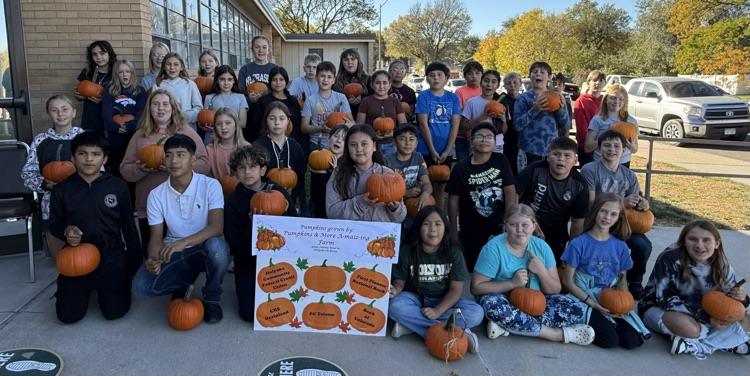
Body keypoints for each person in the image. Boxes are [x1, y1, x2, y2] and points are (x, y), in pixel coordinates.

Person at [132, 134, 230, 323]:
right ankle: (184, 282)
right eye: (168, 155)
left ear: (193, 160)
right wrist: (153, 258)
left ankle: (211, 298)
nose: (174, 161)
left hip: (204, 249)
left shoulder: (210, 185)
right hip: (175, 253)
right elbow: (156, 238)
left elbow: (217, 227)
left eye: (180, 155)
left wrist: (182, 242)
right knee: (141, 288)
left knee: (218, 249)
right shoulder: (156, 195)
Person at [50, 131, 141, 322]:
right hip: (77, 257)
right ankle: (74, 289)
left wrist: (134, 265)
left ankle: (116, 283)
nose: (89, 159)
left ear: (105, 158)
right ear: (73, 158)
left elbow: (128, 226)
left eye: (96, 154)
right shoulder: (62, 190)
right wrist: (66, 230)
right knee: (68, 316)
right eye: (82, 154)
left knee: (114, 312)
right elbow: (54, 225)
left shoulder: (117, 186)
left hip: (111, 257)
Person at [471, 204, 593, 345]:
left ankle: (509, 326)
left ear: (534, 226)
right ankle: (556, 334)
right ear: (505, 226)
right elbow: (476, 288)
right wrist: (512, 283)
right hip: (503, 299)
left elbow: (554, 290)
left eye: (525, 225)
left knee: (575, 308)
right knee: (492, 305)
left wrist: (541, 272)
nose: (519, 230)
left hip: (537, 302)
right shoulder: (493, 249)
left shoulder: (542, 247)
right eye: (513, 225)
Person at [638, 219, 750, 357]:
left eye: (706, 240)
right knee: (689, 328)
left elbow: (728, 301)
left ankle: (691, 344)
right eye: (693, 239)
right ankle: (725, 342)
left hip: (706, 314)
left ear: (717, 243)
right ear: (684, 241)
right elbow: (666, 300)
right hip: (664, 310)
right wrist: (708, 319)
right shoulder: (670, 258)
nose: (699, 245)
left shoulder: (721, 263)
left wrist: (742, 299)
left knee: (747, 320)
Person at [120, 89, 209, 255]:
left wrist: (179, 168)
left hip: (181, 205)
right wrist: (140, 168)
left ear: (173, 108)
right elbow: (125, 169)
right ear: (149, 109)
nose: (160, 108)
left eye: (165, 104)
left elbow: (204, 163)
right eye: (155, 104)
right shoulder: (140, 136)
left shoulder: (186, 132)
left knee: (181, 253)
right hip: (147, 205)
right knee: (153, 252)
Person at [388, 205, 484, 354]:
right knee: (395, 307)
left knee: (476, 313)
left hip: (445, 300)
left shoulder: (454, 252)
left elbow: (455, 291)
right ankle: (457, 335)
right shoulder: (408, 251)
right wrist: (395, 290)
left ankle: (411, 327)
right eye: (426, 224)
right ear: (418, 228)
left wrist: (438, 311)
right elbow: (399, 283)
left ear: (445, 228)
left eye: (438, 224)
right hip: (415, 299)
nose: (432, 229)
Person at [561, 193, 649, 349]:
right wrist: (593, 304)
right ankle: (581, 326)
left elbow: (622, 281)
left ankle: (612, 324)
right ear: (595, 211)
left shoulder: (621, 247)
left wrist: (623, 305)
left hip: (610, 298)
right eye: (603, 211)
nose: (607, 217)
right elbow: (567, 281)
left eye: (613, 214)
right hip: (586, 299)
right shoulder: (578, 243)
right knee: (610, 341)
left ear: (618, 218)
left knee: (631, 342)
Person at [224, 146, 297, 322]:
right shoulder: (233, 201)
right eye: (241, 167)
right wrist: (254, 225)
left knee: (291, 304)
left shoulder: (278, 192)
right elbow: (234, 243)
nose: (247, 172)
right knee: (250, 313)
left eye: (252, 166)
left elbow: (296, 228)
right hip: (249, 260)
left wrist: (284, 215)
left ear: (262, 169)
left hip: (281, 258)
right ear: (236, 172)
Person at [581, 130, 652, 299]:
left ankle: (634, 281)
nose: (611, 149)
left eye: (616, 146)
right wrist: (622, 202)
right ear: (599, 149)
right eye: (606, 145)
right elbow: (590, 203)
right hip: (597, 224)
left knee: (643, 246)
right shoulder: (589, 170)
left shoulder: (629, 175)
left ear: (624, 150)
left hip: (622, 224)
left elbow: (633, 205)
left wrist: (642, 205)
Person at [446, 123, 516, 272]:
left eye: (489, 137)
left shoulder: (501, 160)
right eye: (479, 137)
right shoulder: (461, 167)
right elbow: (453, 200)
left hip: (499, 220)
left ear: (495, 143)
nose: (484, 140)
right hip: (471, 223)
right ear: (471, 141)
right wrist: (452, 230)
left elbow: (510, 191)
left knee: (503, 264)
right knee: (474, 267)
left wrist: (509, 220)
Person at [21, 95, 86, 258]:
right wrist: (44, 184)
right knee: (62, 259)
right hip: (52, 203)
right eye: (54, 110)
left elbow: (100, 171)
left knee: (85, 251)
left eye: (65, 109)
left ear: (73, 112)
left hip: (83, 199)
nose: (60, 114)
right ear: (48, 114)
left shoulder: (84, 138)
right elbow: (28, 174)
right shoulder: (41, 141)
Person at [515, 137, 589, 262]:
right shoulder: (535, 169)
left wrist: (571, 252)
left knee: (550, 268)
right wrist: (512, 219)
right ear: (548, 156)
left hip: (555, 233)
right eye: (556, 154)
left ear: (575, 160)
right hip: (525, 226)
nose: (561, 159)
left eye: (567, 156)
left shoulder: (580, 185)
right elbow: (514, 192)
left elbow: (577, 222)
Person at [326, 124, 406, 222]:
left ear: (374, 146)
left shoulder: (388, 174)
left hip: (380, 234)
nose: (359, 149)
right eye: (353, 145)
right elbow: (331, 212)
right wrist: (361, 203)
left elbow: (400, 218)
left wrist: (395, 209)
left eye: (364, 144)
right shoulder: (339, 174)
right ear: (347, 148)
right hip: (351, 234)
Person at [416, 62, 461, 207]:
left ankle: (439, 214)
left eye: (439, 75)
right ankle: (425, 214)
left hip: (444, 150)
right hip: (425, 149)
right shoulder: (423, 96)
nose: (436, 78)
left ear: (446, 78)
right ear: (427, 79)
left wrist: (448, 150)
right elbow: (423, 124)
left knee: (440, 187)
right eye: (431, 75)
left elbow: (455, 124)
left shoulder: (453, 98)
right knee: (426, 185)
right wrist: (432, 150)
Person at [514, 61, 570, 171]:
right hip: (528, 149)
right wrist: (534, 110)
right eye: (535, 72)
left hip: (551, 151)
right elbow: (517, 125)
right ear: (530, 76)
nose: (538, 74)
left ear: (548, 77)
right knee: (527, 182)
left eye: (542, 72)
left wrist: (560, 110)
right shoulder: (523, 98)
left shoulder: (557, 97)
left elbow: (566, 124)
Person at [101, 60, 147, 194]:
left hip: (133, 138)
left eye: (127, 71)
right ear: (116, 74)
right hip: (115, 140)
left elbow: (141, 114)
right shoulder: (109, 91)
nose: (124, 75)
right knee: (117, 172)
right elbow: (106, 116)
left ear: (132, 73)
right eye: (120, 72)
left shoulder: (140, 92)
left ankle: (134, 206)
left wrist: (129, 126)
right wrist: (114, 127)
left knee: (134, 172)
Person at [252, 102, 306, 208]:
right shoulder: (257, 147)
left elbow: (300, 175)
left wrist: (292, 193)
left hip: (290, 201)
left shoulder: (295, 147)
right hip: (263, 202)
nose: (277, 123)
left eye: (282, 119)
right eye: (272, 118)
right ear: (266, 121)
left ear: (288, 121)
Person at [383, 123, 433, 233]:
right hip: (395, 205)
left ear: (416, 143)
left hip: (414, 203)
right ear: (394, 142)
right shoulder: (386, 161)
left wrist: (425, 193)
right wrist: (405, 193)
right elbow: (383, 190)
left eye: (411, 139)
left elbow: (426, 182)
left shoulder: (418, 157)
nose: (407, 143)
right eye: (402, 139)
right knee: (407, 227)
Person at [301, 61, 353, 152]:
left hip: (339, 143)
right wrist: (321, 128)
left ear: (334, 80)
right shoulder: (310, 100)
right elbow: (304, 127)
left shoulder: (341, 98)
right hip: (317, 144)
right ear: (317, 78)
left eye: (329, 77)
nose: (325, 80)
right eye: (322, 76)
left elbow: (352, 122)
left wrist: (348, 125)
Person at [584, 84, 639, 168]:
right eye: (613, 98)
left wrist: (631, 146)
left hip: (623, 163)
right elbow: (587, 148)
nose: (616, 102)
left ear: (625, 102)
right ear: (606, 99)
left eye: (621, 99)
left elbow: (635, 149)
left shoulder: (631, 121)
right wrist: (604, 136)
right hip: (601, 163)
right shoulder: (598, 120)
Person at [356, 70, 407, 155]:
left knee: (390, 167)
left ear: (390, 85)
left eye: (384, 83)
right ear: (372, 85)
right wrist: (372, 134)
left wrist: (393, 133)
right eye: (377, 83)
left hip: (391, 145)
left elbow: (403, 124)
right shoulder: (366, 101)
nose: (381, 86)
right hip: (371, 144)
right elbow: (359, 125)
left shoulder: (395, 102)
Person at [251, 66, 303, 148]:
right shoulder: (263, 101)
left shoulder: (293, 101)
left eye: (281, 79)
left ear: (286, 81)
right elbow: (257, 124)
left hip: (288, 142)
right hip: (267, 143)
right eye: (274, 80)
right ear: (270, 82)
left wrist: (288, 139)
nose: (278, 82)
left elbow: (297, 125)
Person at [151, 52, 203, 131]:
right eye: (168, 64)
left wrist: (184, 116)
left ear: (181, 67)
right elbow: (153, 107)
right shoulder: (158, 85)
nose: (172, 67)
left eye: (176, 64)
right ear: (164, 67)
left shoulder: (190, 84)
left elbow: (199, 108)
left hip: (186, 127)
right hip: (165, 128)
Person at [75, 41, 117, 137]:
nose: (98, 57)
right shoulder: (87, 72)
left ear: (109, 54)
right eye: (94, 54)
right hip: (91, 117)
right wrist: (78, 96)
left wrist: (104, 101)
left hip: (110, 117)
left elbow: (123, 96)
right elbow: (79, 92)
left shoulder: (116, 73)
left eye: (102, 53)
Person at [460, 70, 507, 156]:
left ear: (498, 86)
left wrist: (503, 120)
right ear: (481, 83)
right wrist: (479, 119)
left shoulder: (502, 104)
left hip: (497, 145)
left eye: (493, 82)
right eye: (486, 80)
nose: (489, 84)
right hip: (478, 144)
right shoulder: (471, 102)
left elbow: (503, 131)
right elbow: (462, 127)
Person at [203, 65, 249, 143]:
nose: (226, 83)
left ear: (234, 80)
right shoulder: (210, 98)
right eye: (222, 79)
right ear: (217, 80)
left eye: (229, 79)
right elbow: (204, 119)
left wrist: (223, 127)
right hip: (213, 138)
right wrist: (205, 126)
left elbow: (243, 123)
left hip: (233, 139)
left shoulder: (240, 97)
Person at [310, 124, 347, 219]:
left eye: (343, 139)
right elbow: (316, 196)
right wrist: (320, 175)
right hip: (320, 210)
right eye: (336, 136)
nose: (339, 140)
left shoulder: (347, 165)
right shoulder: (318, 157)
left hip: (338, 213)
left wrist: (335, 173)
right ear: (329, 138)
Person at [207, 107, 250, 180]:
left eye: (228, 123)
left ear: (236, 126)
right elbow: (208, 177)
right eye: (218, 124)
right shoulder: (210, 149)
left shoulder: (246, 147)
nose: (223, 127)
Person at [574, 70, 606, 167]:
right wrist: (588, 147)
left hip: (604, 148)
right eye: (594, 80)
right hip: (587, 149)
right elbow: (582, 128)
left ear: (605, 83)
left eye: (601, 80)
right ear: (588, 83)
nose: (597, 83)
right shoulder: (581, 101)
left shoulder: (606, 101)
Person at [454, 61, 484, 161]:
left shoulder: (485, 91)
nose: (474, 76)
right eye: (470, 73)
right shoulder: (460, 92)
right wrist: (468, 135)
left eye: (477, 73)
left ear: (482, 75)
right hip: (462, 136)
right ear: (465, 76)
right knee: (463, 163)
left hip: (482, 135)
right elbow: (460, 115)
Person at [238, 35, 278, 104]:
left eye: (264, 47)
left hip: (270, 108)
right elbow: (239, 93)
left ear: (269, 49)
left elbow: (280, 91)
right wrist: (248, 99)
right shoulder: (245, 69)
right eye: (257, 47)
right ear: (252, 49)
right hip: (250, 110)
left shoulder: (276, 69)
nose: (261, 50)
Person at [332, 48, 370, 116]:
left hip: (364, 118)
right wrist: (346, 102)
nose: (350, 62)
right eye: (346, 60)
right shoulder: (335, 81)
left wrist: (361, 101)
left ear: (358, 61)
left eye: (353, 59)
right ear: (342, 63)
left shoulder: (368, 80)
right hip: (343, 117)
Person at [500, 72, 522, 175]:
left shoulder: (524, 99)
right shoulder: (502, 100)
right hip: (509, 137)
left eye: (515, 82)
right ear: (504, 86)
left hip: (523, 136)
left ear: (520, 83)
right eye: (509, 83)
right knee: (510, 162)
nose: (512, 85)